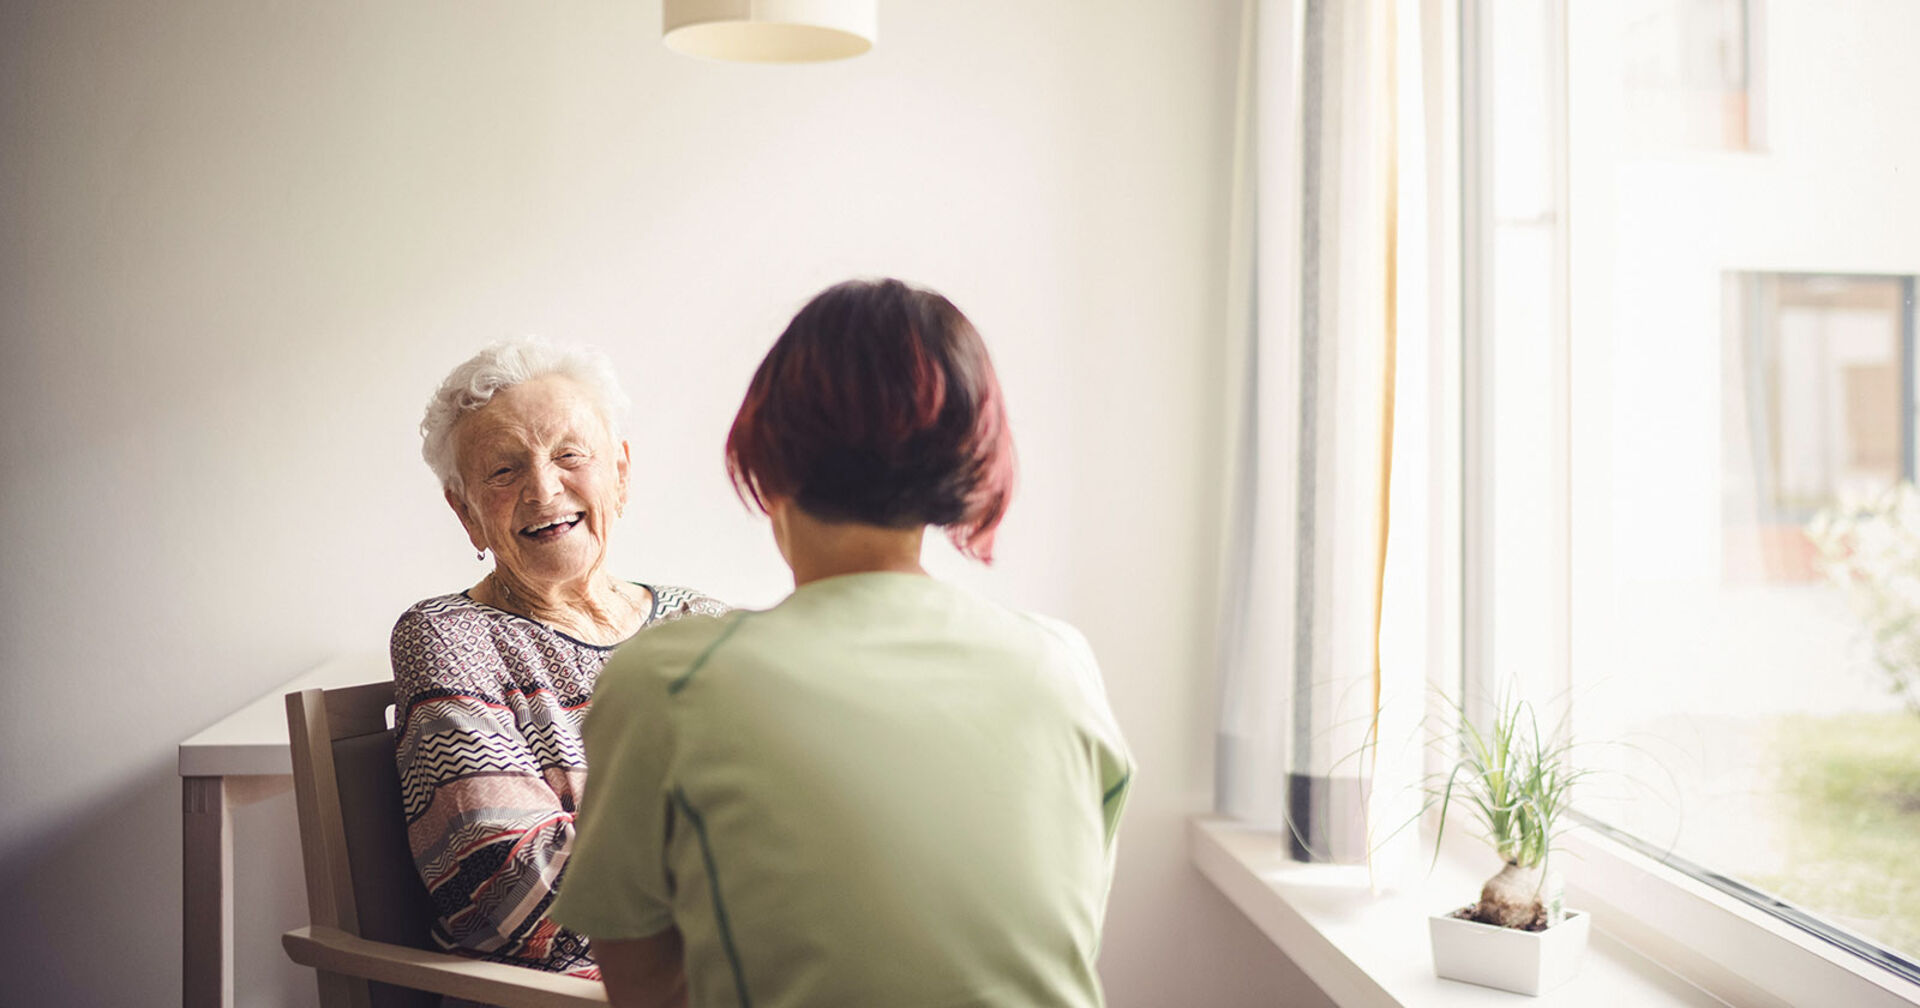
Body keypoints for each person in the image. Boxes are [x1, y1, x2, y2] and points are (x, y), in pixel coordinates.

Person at [553, 279, 1135, 1008]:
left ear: (768, 454)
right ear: (965, 461)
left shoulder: (669, 681)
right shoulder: (1061, 666)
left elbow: (643, 986)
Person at [392, 337, 726, 979]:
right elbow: (513, 898)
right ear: (466, 512)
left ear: (620, 473)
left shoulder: (703, 623)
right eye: (503, 470)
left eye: (570, 455)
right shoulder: (450, 637)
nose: (544, 490)